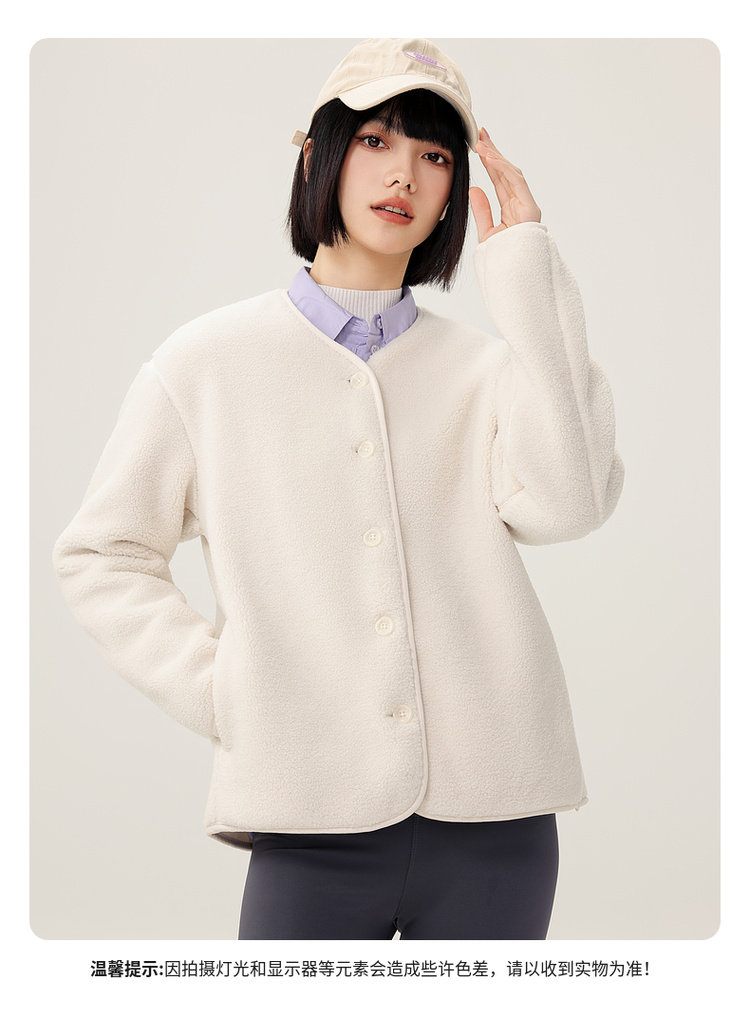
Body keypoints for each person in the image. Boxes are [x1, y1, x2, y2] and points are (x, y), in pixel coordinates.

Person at [53, 38, 625, 940]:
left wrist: (528, 274)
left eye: (436, 156)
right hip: (308, 815)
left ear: (454, 191)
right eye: (376, 140)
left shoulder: (488, 370)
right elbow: (102, 554)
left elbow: (573, 503)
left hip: (500, 819)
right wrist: (225, 688)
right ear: (318, 156)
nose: (405, 174)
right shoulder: (205, 364)